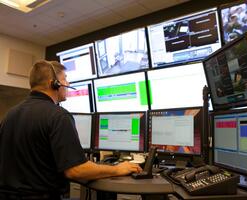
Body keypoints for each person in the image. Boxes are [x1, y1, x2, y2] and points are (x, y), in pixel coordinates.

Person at [0, 60, 142, 200]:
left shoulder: (9, 115)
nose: (68, 84)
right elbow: (75, 170)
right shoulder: (58, 115)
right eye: (65, 79)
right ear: (54, 83)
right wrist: (118, 169)